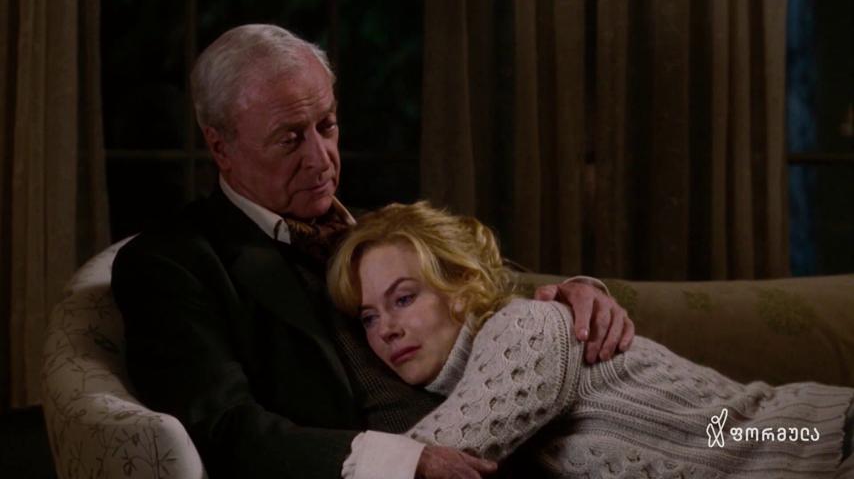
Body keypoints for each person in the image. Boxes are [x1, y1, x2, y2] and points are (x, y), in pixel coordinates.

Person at [111, 24, 635, 479]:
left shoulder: (373, 229)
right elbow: (225, 428)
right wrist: (405, 463)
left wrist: (574, 294)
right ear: (220, 147)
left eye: (327, 126)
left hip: (548, 439)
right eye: (290, 139)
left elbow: (485, 287)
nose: (321, 159)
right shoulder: (172, 264)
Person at [327, 202, 854, 478]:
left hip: (821, 444)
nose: (386, 328)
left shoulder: (523, 328)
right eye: (368, 317)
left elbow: (423, 460)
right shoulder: (473, 373)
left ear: (461, 289)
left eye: (403, 298)